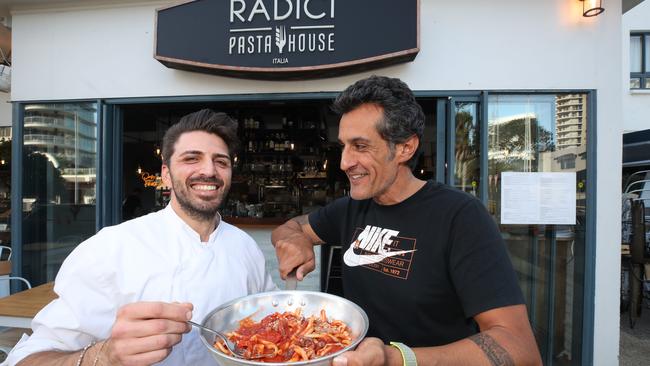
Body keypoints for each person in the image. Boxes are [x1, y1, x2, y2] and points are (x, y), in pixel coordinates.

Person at [272, 76, 542, 366]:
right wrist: (295, 239)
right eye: (344, 146)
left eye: (360, 146)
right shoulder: (351, 209)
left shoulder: (460, 216)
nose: (344, 162)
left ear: (405, 148)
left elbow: (520, 349)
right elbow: (292, 227)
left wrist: (396, 358)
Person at [5, 109, 276, 366]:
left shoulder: (245, 247)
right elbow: (25, 359)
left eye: (221, 161)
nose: (209, 171)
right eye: (191, 158)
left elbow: (271, 325)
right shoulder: (112, 247)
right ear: (166, 176)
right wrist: (107, 354)